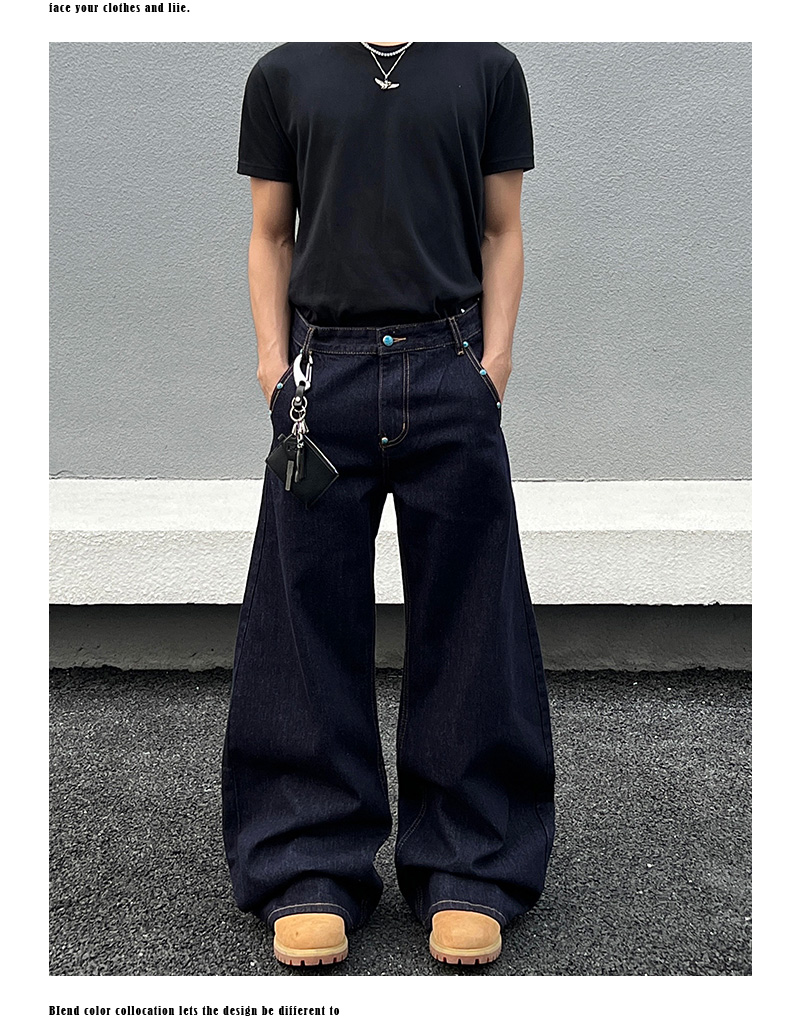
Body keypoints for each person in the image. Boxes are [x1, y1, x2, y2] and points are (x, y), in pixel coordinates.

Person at [221, 41, 556, 968]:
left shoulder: (487, 68)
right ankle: (307, 863)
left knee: (473, 614)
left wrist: (493, 366)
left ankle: (471, 865)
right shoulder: (283, 74)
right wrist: (272, 366)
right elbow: (270, 232)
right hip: (319, 375)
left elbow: (502, 228)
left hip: (450, 363)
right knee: (304, 618)